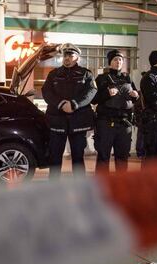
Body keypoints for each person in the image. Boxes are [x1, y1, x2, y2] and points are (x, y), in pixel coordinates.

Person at [42, 43, 97, 177]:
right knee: (55, 157)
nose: (67, 58)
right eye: (65, 55)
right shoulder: (53, 74)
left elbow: (91, 92)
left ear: (77, 58)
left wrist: (74, 104)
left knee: (78, 157)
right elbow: (46, 92)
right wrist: (61, 104)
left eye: (70, 55)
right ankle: (54, 186)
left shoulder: (86, 74)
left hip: (78, 121)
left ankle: (79, 186)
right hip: (57, 121)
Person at [93, 49, 139, 172]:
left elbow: (135, 98)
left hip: (124, 123)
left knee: (123, 157)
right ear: (110, 62)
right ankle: (101, 186)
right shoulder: (101, 78)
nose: (118, 61)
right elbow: (94, 99)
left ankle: (121, 187)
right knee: (103, 156)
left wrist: (135, 96)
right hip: (106, 122)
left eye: (120, 59)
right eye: (115, 59)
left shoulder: (127, 77)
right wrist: (107, 94)